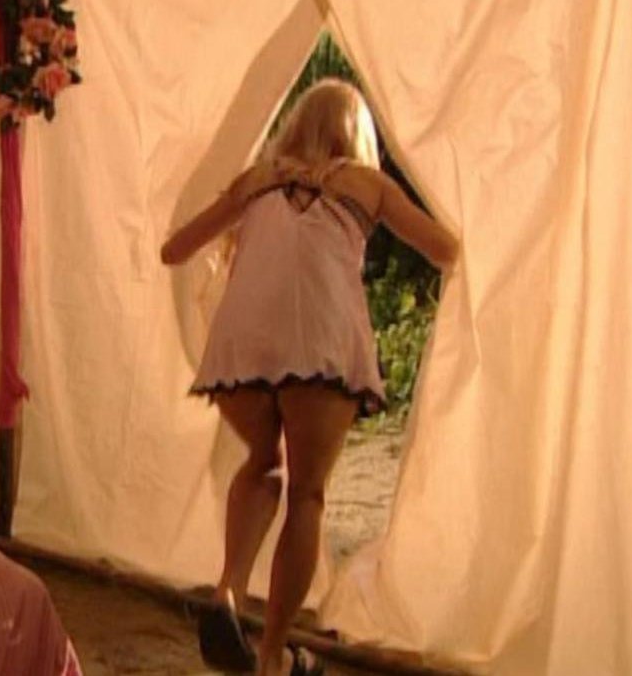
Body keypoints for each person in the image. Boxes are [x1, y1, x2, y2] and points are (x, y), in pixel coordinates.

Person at [161, 79, 458, 676]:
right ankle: (273, 655)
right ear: (356, 134)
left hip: (243, 340)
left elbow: (174, 250)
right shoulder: (367, 183)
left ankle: (226, 591)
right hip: (320, 338)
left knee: (261, 460)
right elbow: (445, 249)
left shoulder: (257, 180)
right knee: (307, 493)